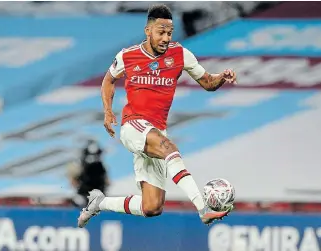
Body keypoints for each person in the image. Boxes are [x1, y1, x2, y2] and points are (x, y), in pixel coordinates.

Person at [78, 4, 237, 228]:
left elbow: (208, 82)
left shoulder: (180, 54)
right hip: (133, 126)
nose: (165, 38)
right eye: (160, 32)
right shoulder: (128, 55)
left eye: (169, 33)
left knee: (152, 207)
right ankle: (203, 208)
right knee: (169, 148)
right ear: (148, 31)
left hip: (156, 131)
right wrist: (107, 111)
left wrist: (222, 76)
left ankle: (99, 202)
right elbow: (108, 80)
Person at [69, 139, 111, 207]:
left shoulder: (99, 166)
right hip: (86, 189)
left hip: (97, 188)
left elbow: (104, 175)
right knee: (80, 201)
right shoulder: (85, 165)